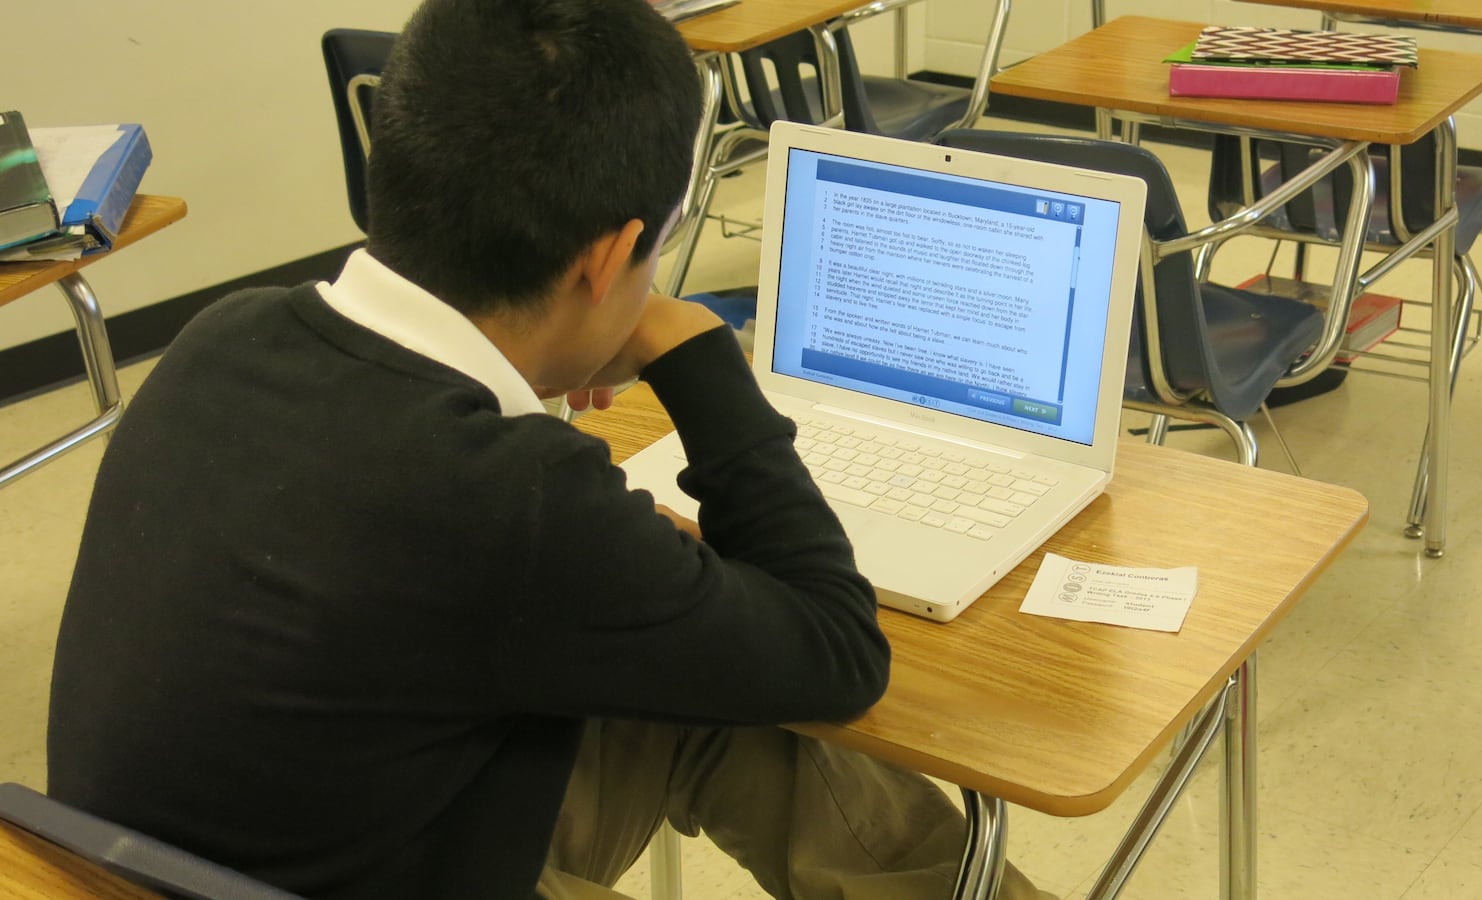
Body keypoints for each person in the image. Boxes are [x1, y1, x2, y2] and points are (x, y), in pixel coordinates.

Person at [47, 0, 1052, 898]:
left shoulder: (223, 337)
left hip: (179, 866)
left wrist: (618, 560)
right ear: (608, 258)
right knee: (755, 691)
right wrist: (692, 349)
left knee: (714, 696)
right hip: (375, 869)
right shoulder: (510, 495)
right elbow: (838, 654)